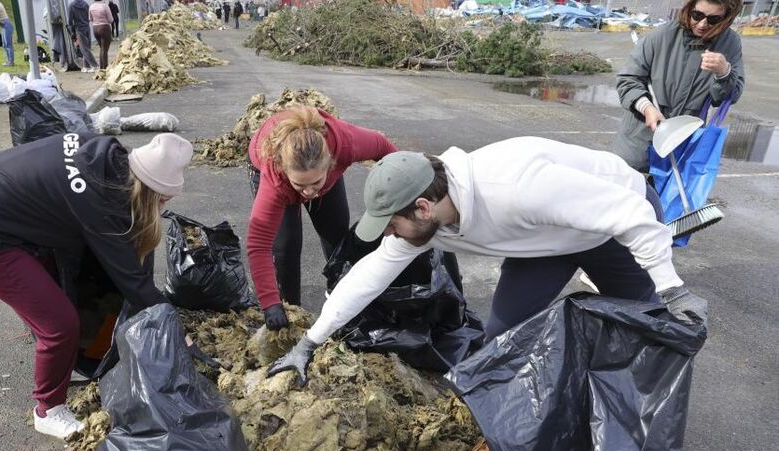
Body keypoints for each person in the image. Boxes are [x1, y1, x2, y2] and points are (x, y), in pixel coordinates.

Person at [269, 139, 709, 386]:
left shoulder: (517, 187)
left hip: (610, 221)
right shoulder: (426, 222)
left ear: (422, 207)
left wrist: (674, 289)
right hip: (540, 243)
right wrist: (310, 342)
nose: (388, 235)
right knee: (500, 340)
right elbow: (368, 277)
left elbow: (629, 215)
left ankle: (640, 406)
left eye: (390, 224)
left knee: (646, 322)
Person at [0, 132, 194, 438]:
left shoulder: (107, 157)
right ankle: (48, 410)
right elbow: (133, 281)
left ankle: (64, 362)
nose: (165, 204)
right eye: (164, 198)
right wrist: (177, 332)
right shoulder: (101, 200)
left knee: (54, 297)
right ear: (152, 189)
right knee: (59, 323)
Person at [246, 106, 397, 331]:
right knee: (286, 246)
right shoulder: (275, 179)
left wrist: (402, 193)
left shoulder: (346, 143)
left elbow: (386, 149)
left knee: (336, 236)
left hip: (323, 174)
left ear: (330, 163)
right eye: (300, 185)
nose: (308, 193)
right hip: (271, 169)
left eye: (314, 183)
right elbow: (259, 246)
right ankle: (291, 312)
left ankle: (342, 300)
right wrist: (270, 303)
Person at [614, 0, 744, 172]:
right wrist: (646, 108)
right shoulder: (661, 36)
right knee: (630, 195)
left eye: (713, 19)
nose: (703, 24)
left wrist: (724, 73)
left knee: (666, 198)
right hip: (639, 144)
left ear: (726, 17)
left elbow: (728, 97)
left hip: (683, 146)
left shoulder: (730, 43)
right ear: (689, 8)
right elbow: (628, 79)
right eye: (697, 15)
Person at [68, 0, 99, 72]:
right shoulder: (85, 4)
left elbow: (70, 21)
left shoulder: (71, 5)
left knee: (84, 49)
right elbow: (89, 16)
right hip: (87, 27)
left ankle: (95, 66)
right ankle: (86, 66)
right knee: (87, 47)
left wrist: (72, 32)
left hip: (79, 29)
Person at [88, 0, 113, 70]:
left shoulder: (91, 6)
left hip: (95, 28)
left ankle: (101, 67)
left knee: (101, 48)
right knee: (104, 49)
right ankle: (104, 68)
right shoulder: (105, 6)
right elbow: (111, 20)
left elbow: (90, 19)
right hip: (104, 28)